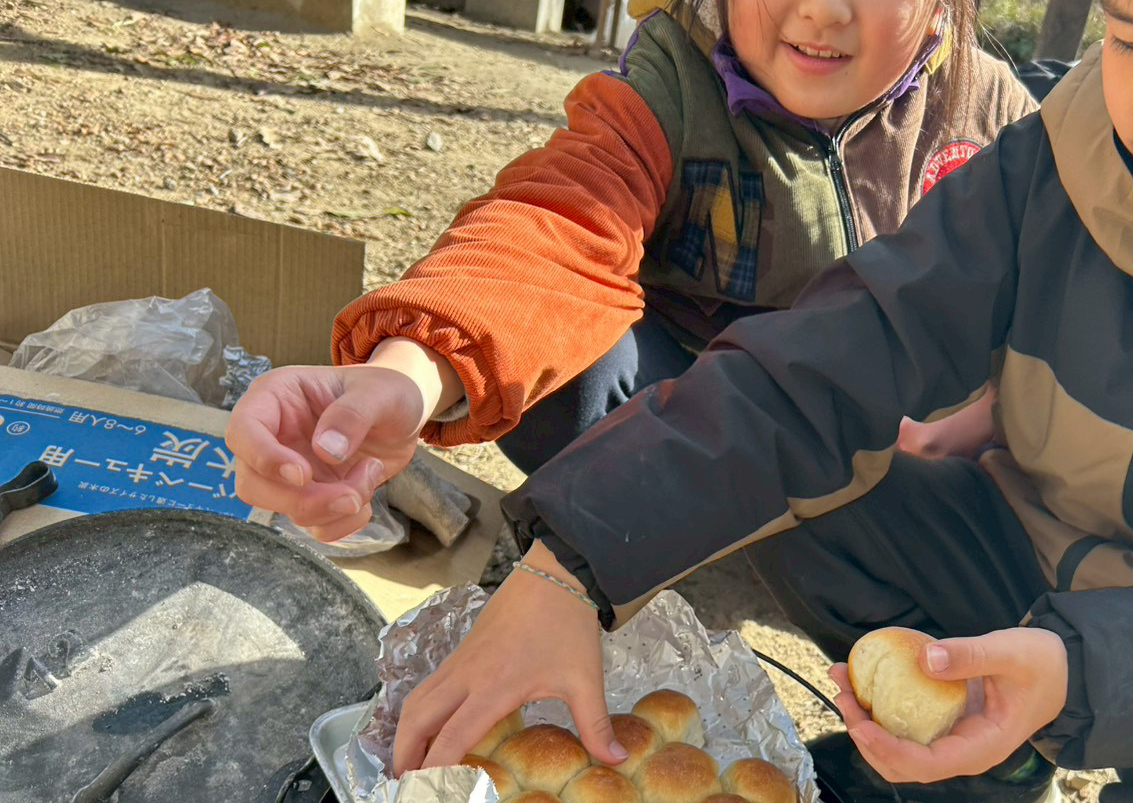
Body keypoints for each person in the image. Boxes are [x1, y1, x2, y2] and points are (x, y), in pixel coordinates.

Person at [355, 0, 1133, 803]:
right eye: (1131, 36)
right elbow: (833, 359)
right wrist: (571, 565)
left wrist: (1085, 669)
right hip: (1015, 556)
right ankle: (980, 786)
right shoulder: (1059, 165)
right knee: (792, 490)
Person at [225, 0, 1036, 531]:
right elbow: (560, 220)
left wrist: (980, 414)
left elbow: (1053, 294)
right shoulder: (672, 78)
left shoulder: (994, 116)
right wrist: (408, 372)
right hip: (690, 419)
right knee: (566, 361)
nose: (822, 11)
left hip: (871, 455)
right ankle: (646, 530)